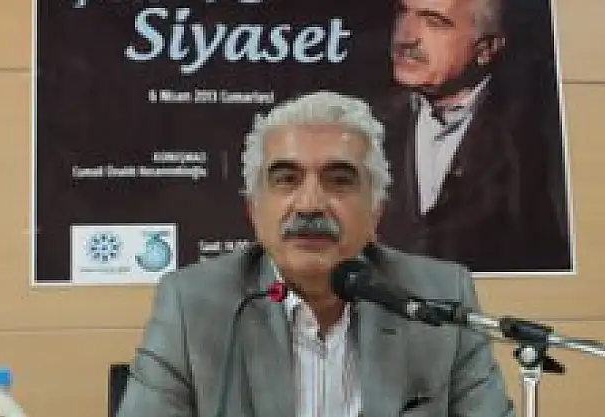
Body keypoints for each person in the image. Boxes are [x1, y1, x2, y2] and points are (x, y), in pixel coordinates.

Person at [116, 91, 515, 417]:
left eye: (338, 180)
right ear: (254, 210)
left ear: (375, 211)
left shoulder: (436, 300)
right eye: (287, 179)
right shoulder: (193, 306)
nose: (310, 204)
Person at [373, 0, 571, 273]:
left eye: (434, 23)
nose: (405, 37)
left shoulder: (538, 135)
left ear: (486, 49)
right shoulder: (372, 125)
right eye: (403, 13)